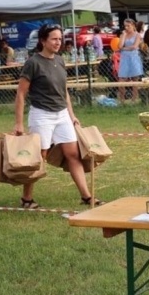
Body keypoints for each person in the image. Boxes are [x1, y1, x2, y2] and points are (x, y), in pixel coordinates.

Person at [14, 24, 102, 209]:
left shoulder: (60, 60)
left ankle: (86, 196)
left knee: (73, 154)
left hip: (62, 114)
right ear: (43, 41)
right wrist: (19, 123)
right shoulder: (33, 63)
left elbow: (64, 91)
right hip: (41, 115)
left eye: (60, 39)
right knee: (39, 156)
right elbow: (21, 94)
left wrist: (71, 115)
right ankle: (27, 198)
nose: (58, 42)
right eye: (54, 39)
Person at [117, 19, 144, 103]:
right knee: (121, 79)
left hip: (134, 57)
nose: (126, 27)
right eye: (125, 26)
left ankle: (134, 99)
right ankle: (122, 100)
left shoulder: (137, 35)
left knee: (135, 79)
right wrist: (124, 36)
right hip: (124, 58)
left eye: (128, 26)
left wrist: (124, 48)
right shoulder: (123, 35)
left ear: (133, 25)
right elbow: (119, 46)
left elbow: (135, 46)